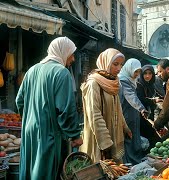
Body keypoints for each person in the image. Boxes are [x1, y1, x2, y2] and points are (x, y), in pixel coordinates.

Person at [16, 37, 83, 180]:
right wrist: (75, 135)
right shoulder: (61, 72)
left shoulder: (31, 70)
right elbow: (66, 110)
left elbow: (19, 101)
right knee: (46, 172)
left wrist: (31, 118)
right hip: (48, 134)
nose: (73, 59)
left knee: (30, 171)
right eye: (71, 54)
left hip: (29, 132)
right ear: (63, 52)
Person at [80, 48, 132, 163]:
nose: (119, 69)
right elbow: (95, 115)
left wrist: (125, 127)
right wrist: (106, 142)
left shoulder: (113, 82)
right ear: (106, 62)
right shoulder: (93, 83)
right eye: (115, 64)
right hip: (99, 140)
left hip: (112, 135)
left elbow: (117, 109)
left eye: (121, 65)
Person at [119, 58, 148, 165]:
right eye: (135, 71)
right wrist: (141, 108)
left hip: (133, 113)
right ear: (129, 69)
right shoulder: (123, 80)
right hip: (127, 114)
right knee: (129, 138)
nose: (137, 74)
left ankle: (135, 161)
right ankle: (130, 163)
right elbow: (130, 96)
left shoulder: (131, 80)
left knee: (134, 137)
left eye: (139, 72)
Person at [136, 65, 162, 153]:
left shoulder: (151, 84)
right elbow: (141, 98)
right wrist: (154, 100)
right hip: (140, 115)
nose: (147, 76)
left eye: (150, 73)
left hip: (149, 114)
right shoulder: (139, 84)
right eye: (145, 74)